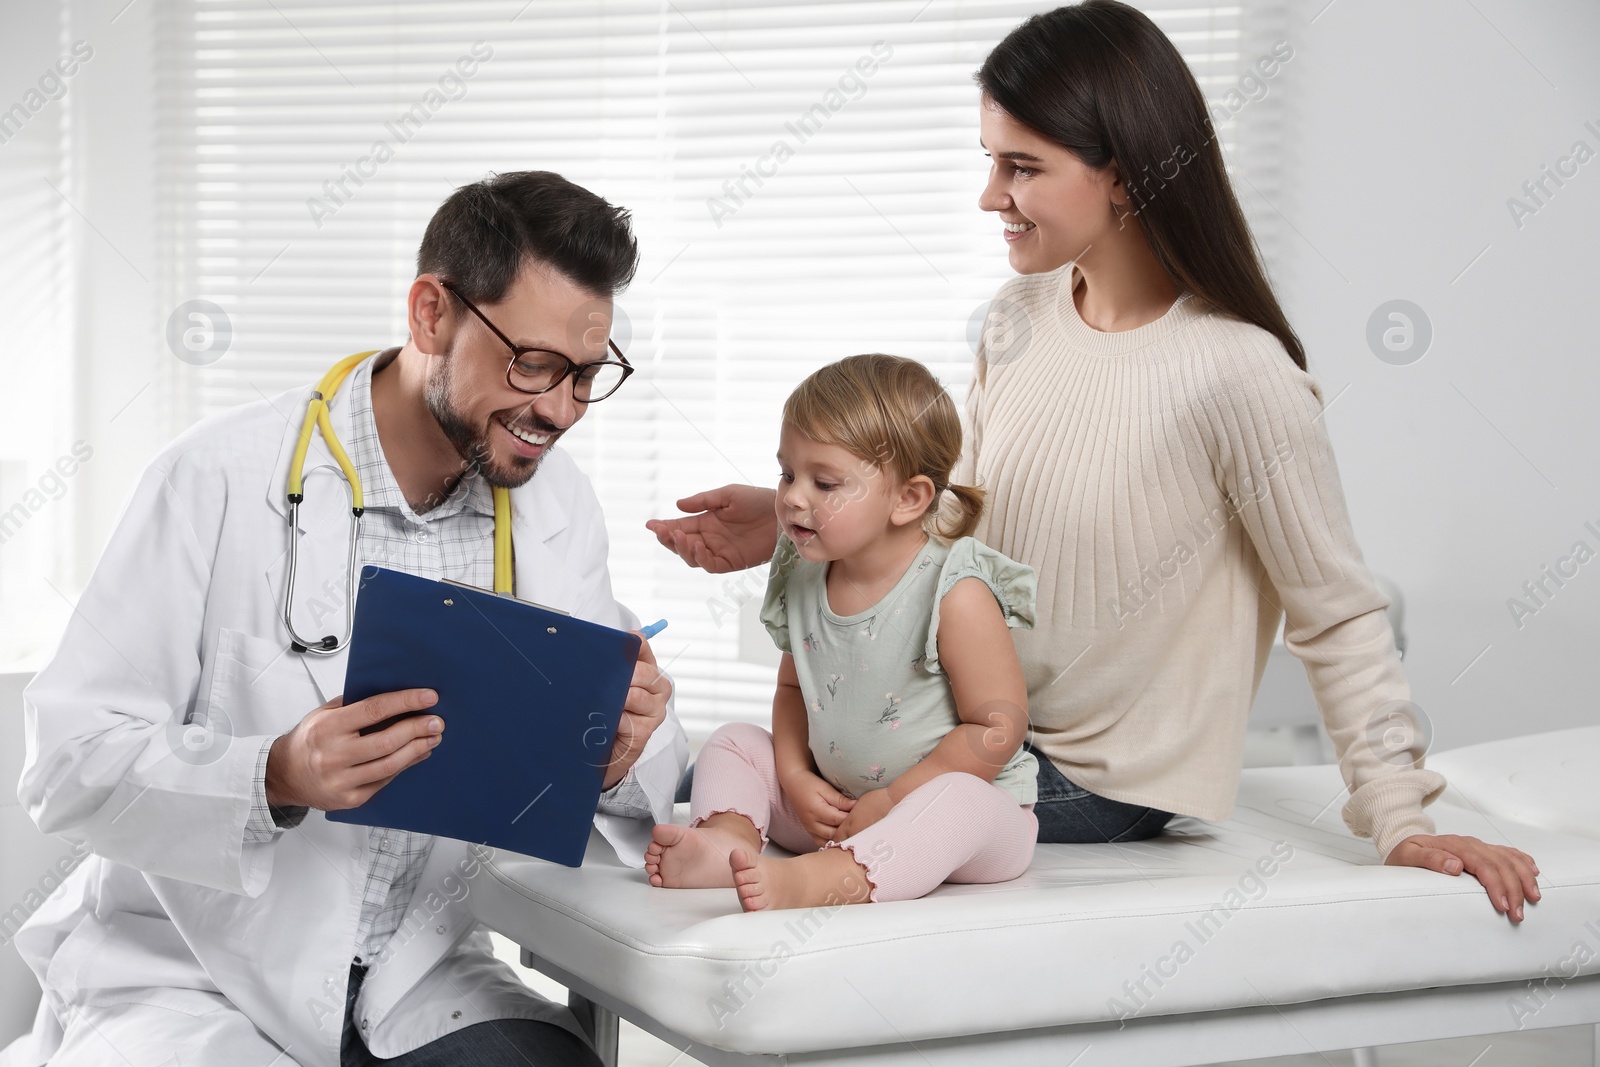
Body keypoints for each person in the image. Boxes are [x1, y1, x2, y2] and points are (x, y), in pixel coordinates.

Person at [646, 1, 1541, 922]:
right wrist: (800, 513)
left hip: (1086, 777)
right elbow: (959, 526)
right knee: (739, 765)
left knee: (852, 805)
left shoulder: (1239, 374)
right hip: (968, 724)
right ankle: (735, 845)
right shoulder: (1019, 317)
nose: (991, 194)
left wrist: (1400, 816)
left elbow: (1337, 612)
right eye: (990, 161)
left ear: (1122, 177)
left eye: (1022, 167)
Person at [6, 171, 687, 1067]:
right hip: (196, 978)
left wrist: (621, 747)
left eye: (586, 377)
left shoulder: (556, 509)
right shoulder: (214, 478)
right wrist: (275, 773)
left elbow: (631, 748)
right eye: (534, 365)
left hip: (422, 975)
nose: (559, 410)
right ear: (430, 314)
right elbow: (66, 764)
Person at [646, 355, 1038, 910]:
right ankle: (726, 844)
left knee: (961, 801)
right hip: (836, 812)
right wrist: (795, 776)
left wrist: (893, 800)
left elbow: (997, 727)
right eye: (787, 473)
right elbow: (790, 691)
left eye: (824, 482)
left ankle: (821, 880)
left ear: (908, 499)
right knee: (734, 741)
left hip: (947, 823)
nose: (792, 497)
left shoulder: (956, 592)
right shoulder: (805, 573)